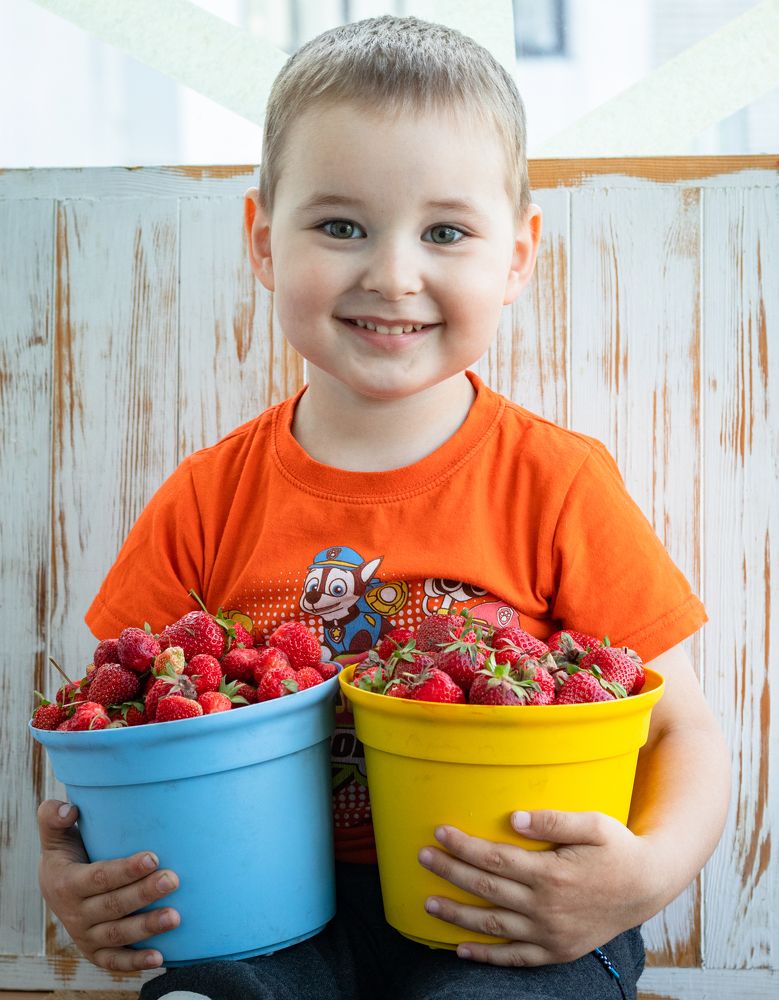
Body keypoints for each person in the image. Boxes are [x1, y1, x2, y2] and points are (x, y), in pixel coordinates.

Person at [36, 15, 730, 1000]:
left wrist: (637, 878)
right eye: (340, 224)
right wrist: (68, 862)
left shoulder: (556, 482)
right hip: (260, 917)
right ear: (261, 241)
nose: (393, 273)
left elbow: (680, 731)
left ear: (517, 256)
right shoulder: (206, 497)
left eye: (443, 231)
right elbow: (113, 724)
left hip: (504, 908)